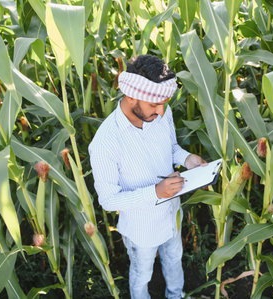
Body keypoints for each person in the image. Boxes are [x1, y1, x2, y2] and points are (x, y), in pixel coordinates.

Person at [88, 54, 207, 299]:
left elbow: (171, 148)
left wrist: (187, 159)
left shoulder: (161, 113)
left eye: (163, 103)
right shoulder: (105, 142)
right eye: (154, 104)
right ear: (131, 95)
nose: (160, 110)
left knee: (174, 259)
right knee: (142, 275)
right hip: (141, 229)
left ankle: (176, 295)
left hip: (172, 214)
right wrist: (155, 192)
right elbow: (108, 200)